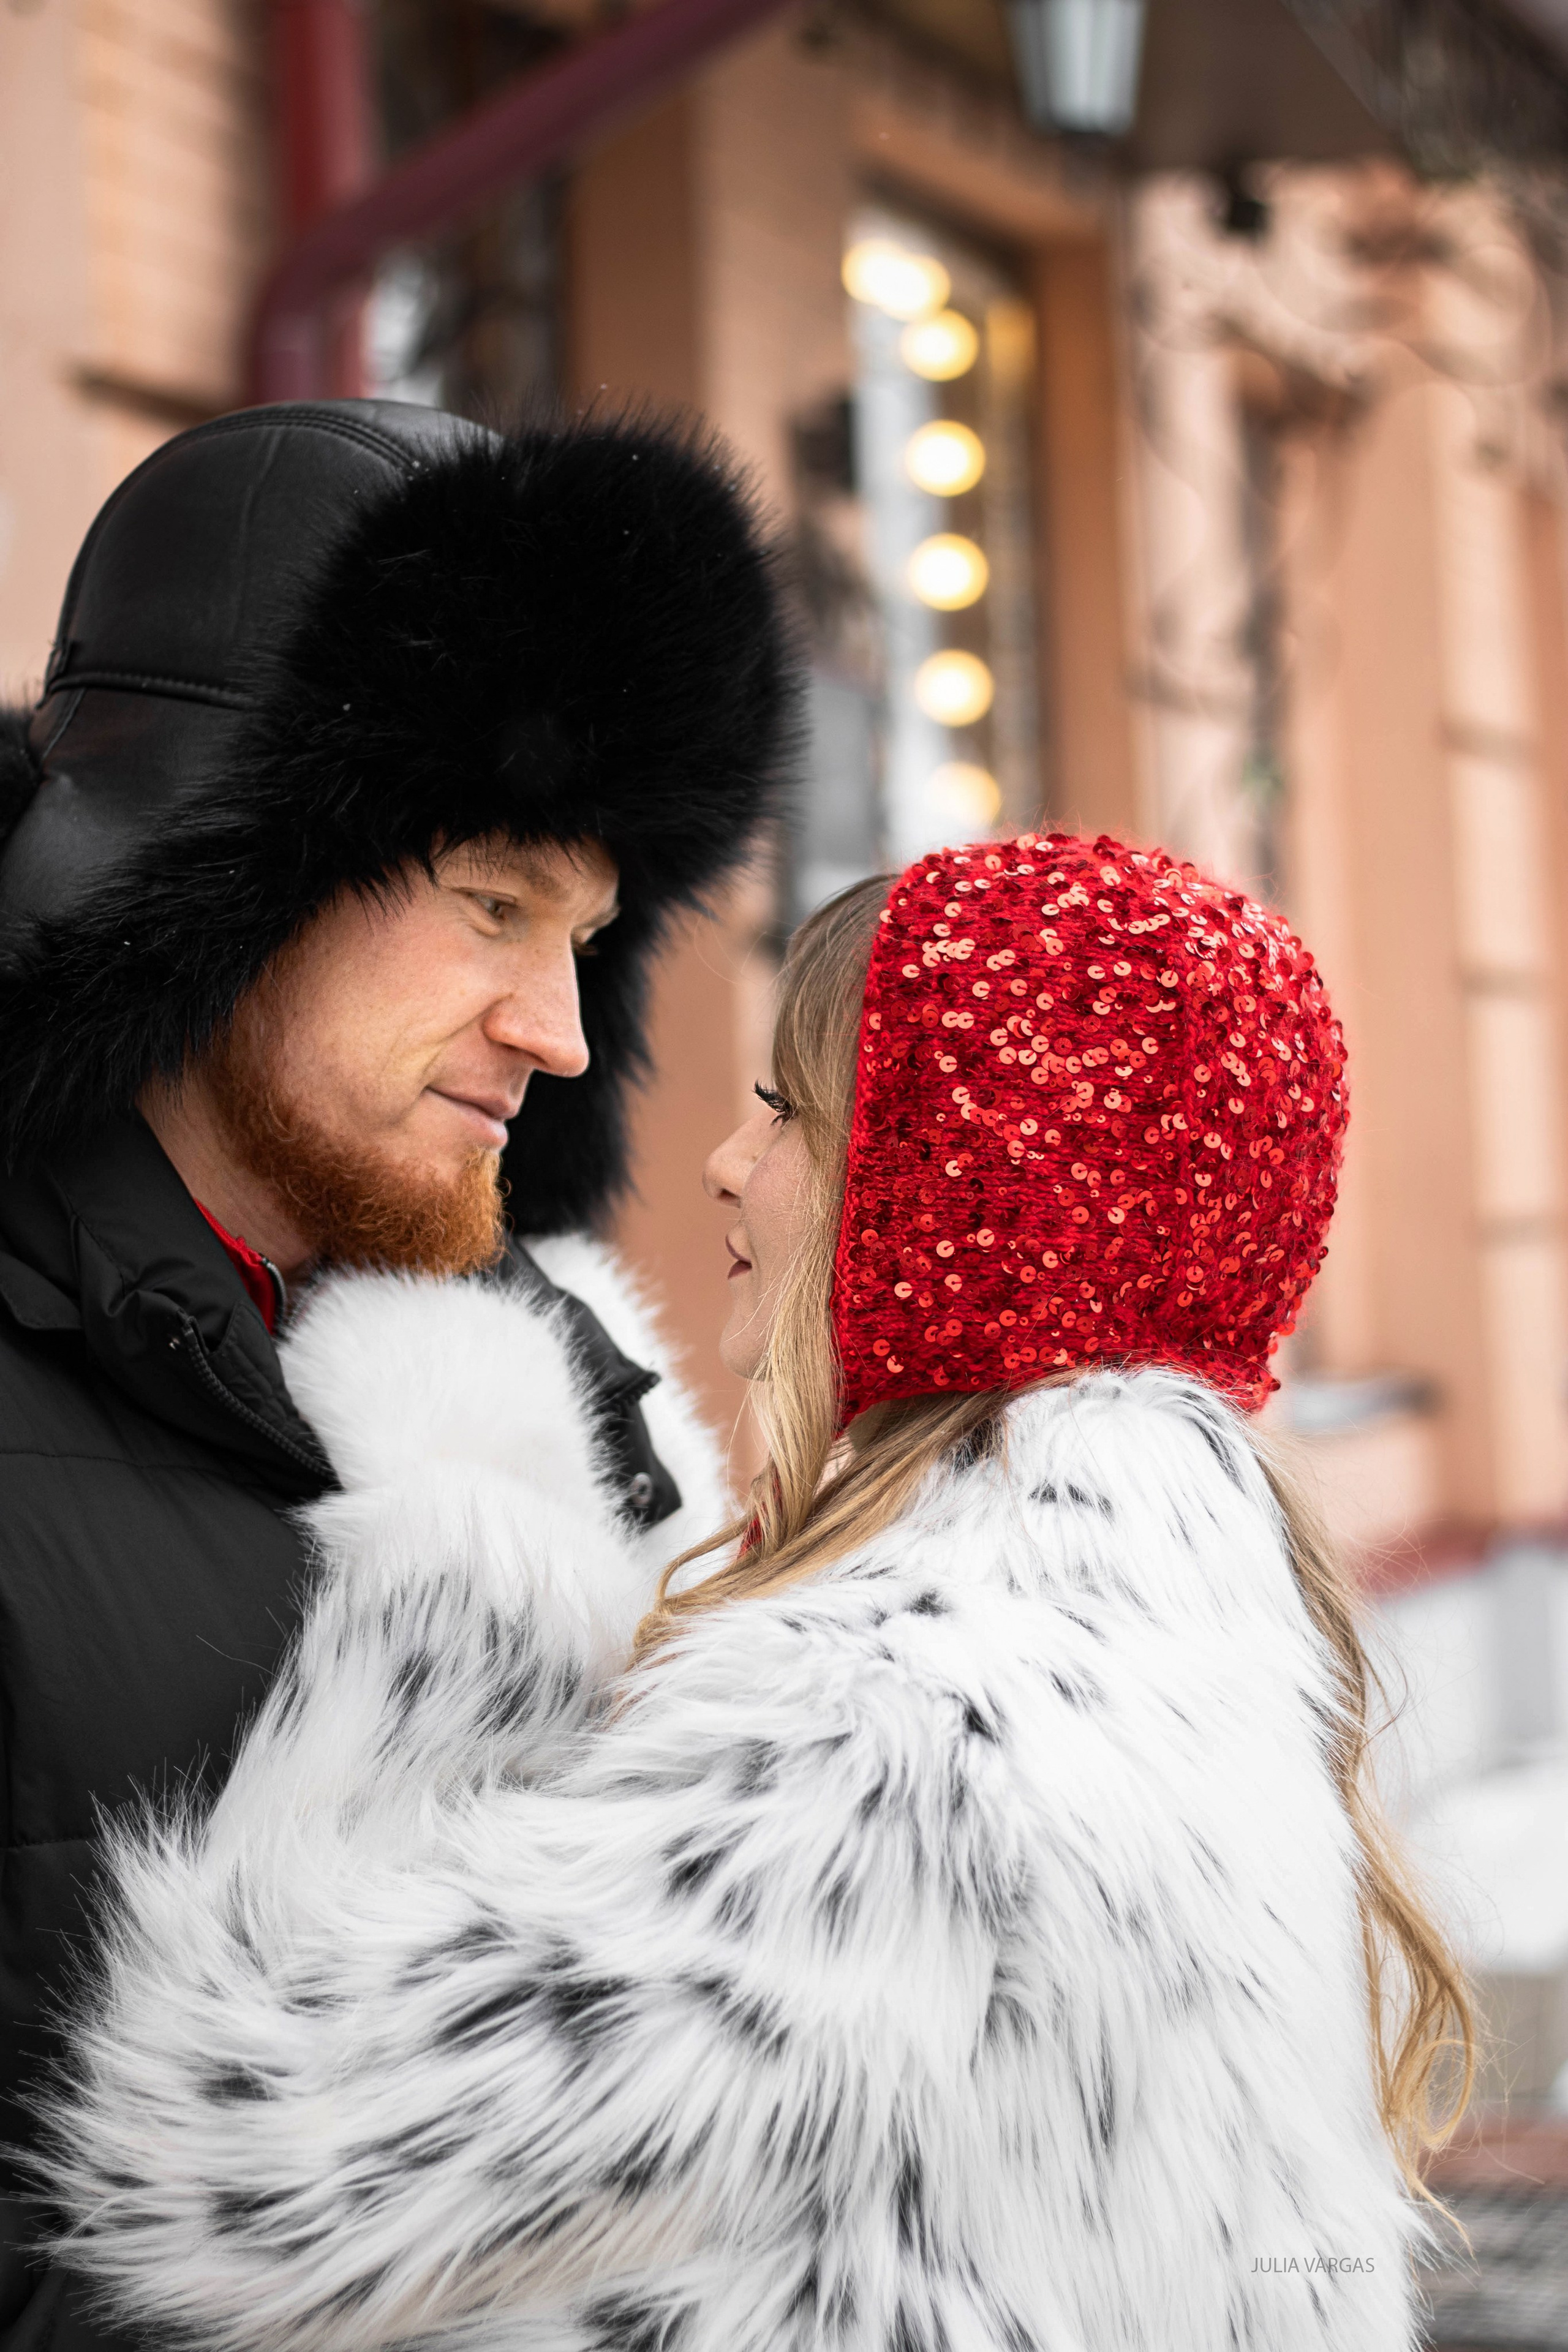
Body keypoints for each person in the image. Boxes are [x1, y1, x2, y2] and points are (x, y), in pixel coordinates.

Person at [37, 834, 1472, 2352]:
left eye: (792, 1112)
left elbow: (235, 2174)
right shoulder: (1184, 1661)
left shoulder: (893, 1740)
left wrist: (468, 1589)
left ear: (956, 1194)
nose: (728, 1162)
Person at [0, 398, 795, 2349]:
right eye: (495, 905)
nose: (556, 1029)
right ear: (225, 858)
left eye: (587, 940)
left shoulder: (554, 1386)